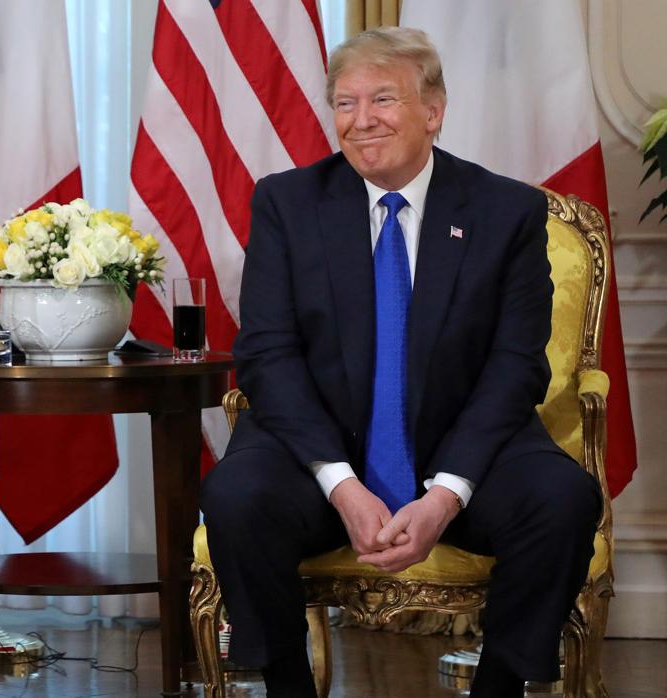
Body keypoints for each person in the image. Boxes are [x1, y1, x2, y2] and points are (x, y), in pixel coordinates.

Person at [200, 27, 600, 698]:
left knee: (562, 499)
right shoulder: (288, 203)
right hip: (321, 456)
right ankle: (286, 686)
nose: (361, 122)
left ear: (433, 111)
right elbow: (267, 356)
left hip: (461, 448)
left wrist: (445, 494)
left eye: (382, 99)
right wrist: (340, 483)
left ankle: (500, 685)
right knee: (237, 496)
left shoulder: (506, 211)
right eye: (345, 103)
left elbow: (515, 366)